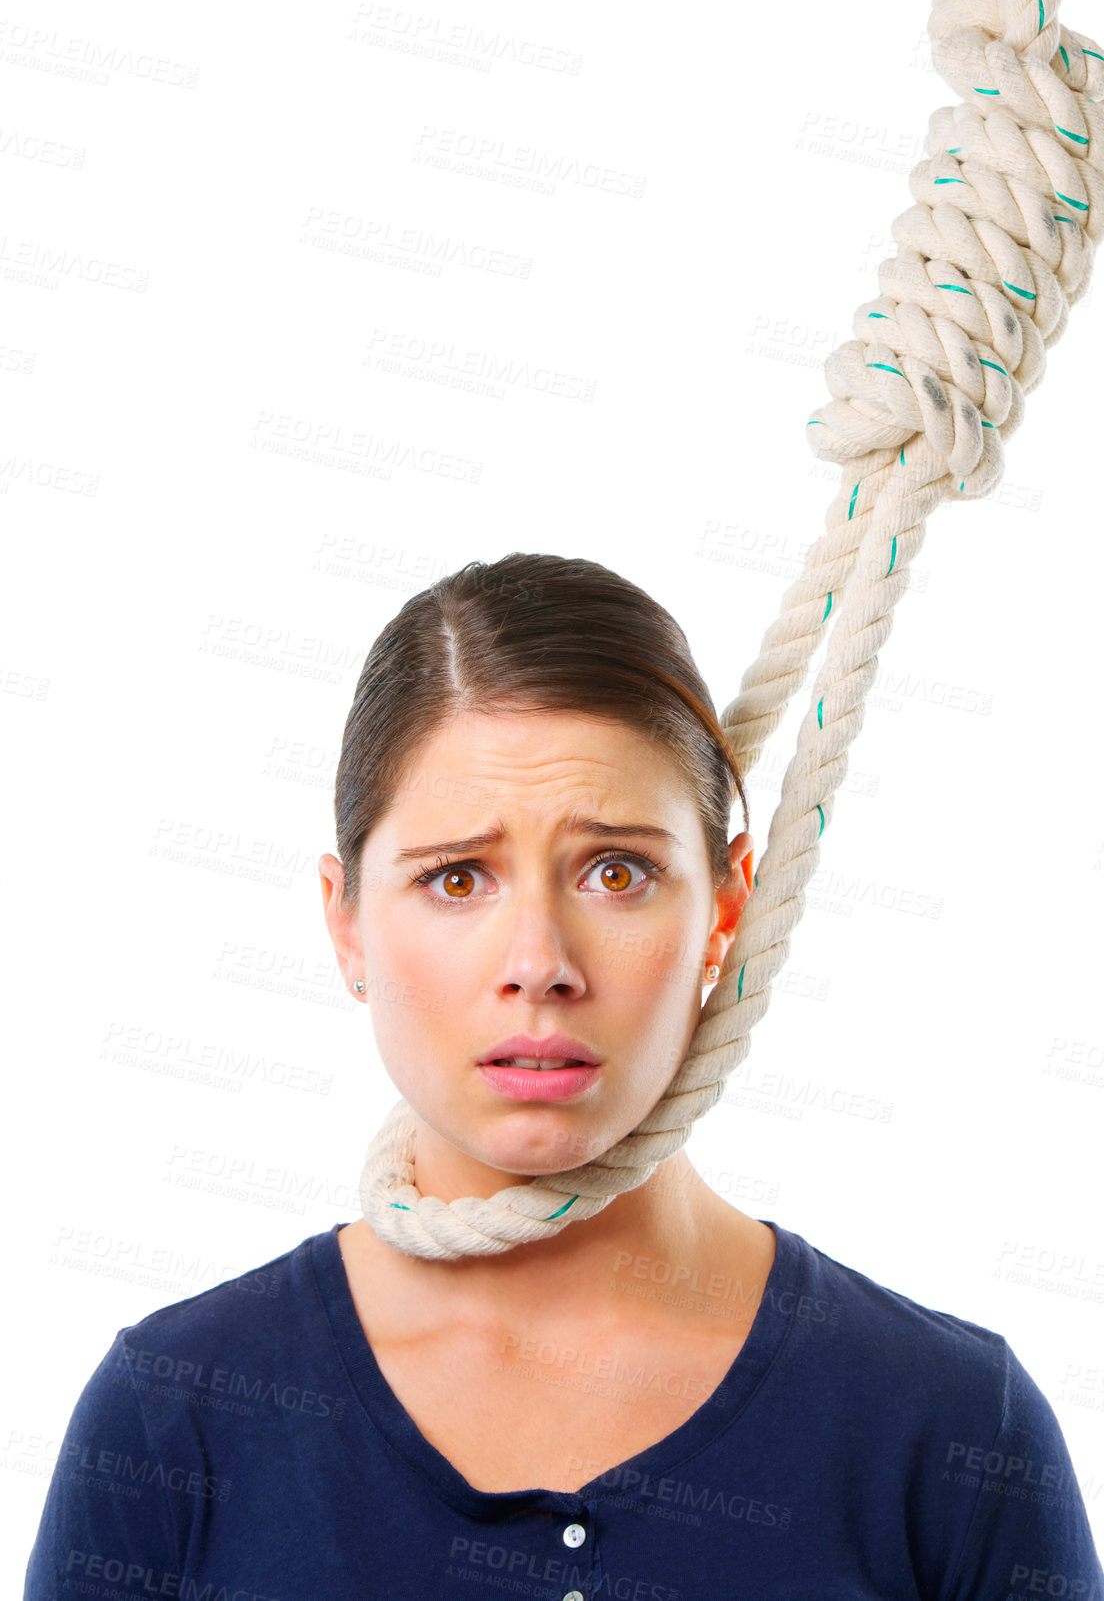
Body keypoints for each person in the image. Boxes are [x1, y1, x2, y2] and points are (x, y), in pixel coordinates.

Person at [24, 553, 1103, 1598]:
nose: (539, 962)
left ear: (727, 907)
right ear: (344, 920)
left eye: (617, 871)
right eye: (456, 877)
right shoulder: (173, 1421)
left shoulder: (954, 1431)